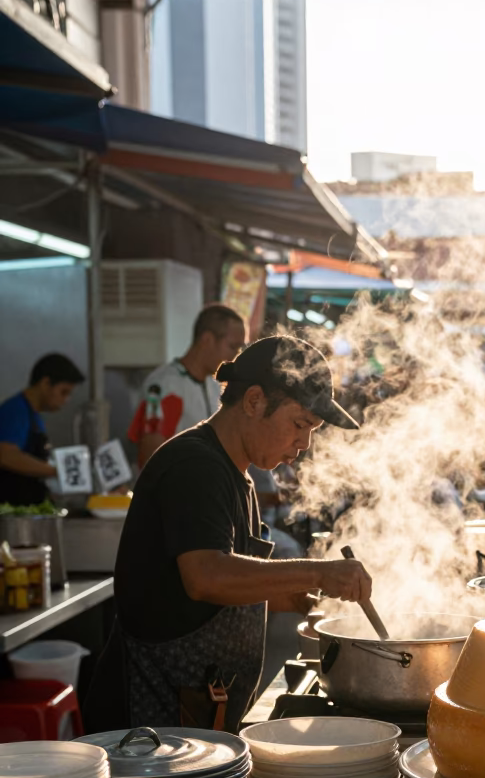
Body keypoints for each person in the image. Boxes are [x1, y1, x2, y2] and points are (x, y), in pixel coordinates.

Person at [84, 335, 371, 733]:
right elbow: (207, 577)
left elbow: (222, 593)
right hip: (146, 730)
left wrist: (304, 602)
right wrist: (319, 573)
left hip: (194, 718)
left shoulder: (238, 477)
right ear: (254, 401)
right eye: (300, 424)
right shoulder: (194, 465)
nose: (303, 444)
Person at [127, 303, 247, 468]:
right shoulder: (165, 386)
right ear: (207, 340)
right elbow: (151, 454)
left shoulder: (215, 386)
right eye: (232, 347)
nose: (236, 356)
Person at [0, 353, 85, 505]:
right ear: (45, 383)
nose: (66, 400)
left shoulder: (34, 416)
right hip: (11, 509)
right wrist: (57, 471)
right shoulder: (15, 411)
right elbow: (6, 455)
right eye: (63, 392)